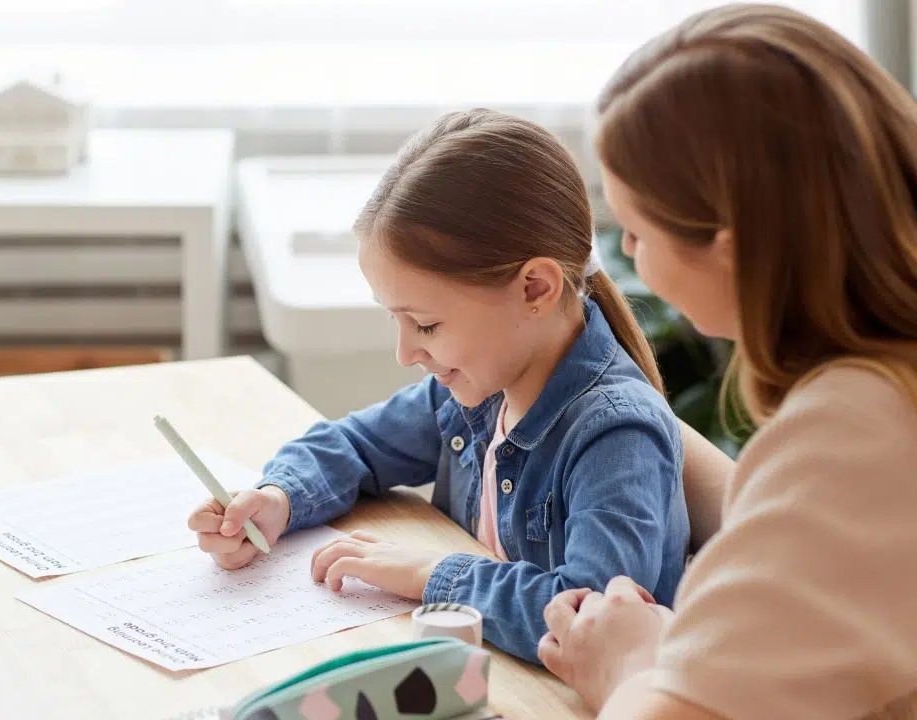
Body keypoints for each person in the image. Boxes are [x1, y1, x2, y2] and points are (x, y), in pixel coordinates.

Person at [187, 108, 690, 665]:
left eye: (426, 325)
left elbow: (589, 623)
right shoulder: (481, 388)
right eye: (394, 319)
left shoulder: (615, 434)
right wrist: (280, 498)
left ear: (535, 288)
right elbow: (354, 444)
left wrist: (430, 573)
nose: (406, 354)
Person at [538, 4, 917, 718]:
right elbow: (799, 521)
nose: (631, 265)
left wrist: (630, 667)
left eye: (637, 233)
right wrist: (627, 410)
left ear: (730, 244)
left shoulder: (855, 429)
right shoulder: (880, 394)